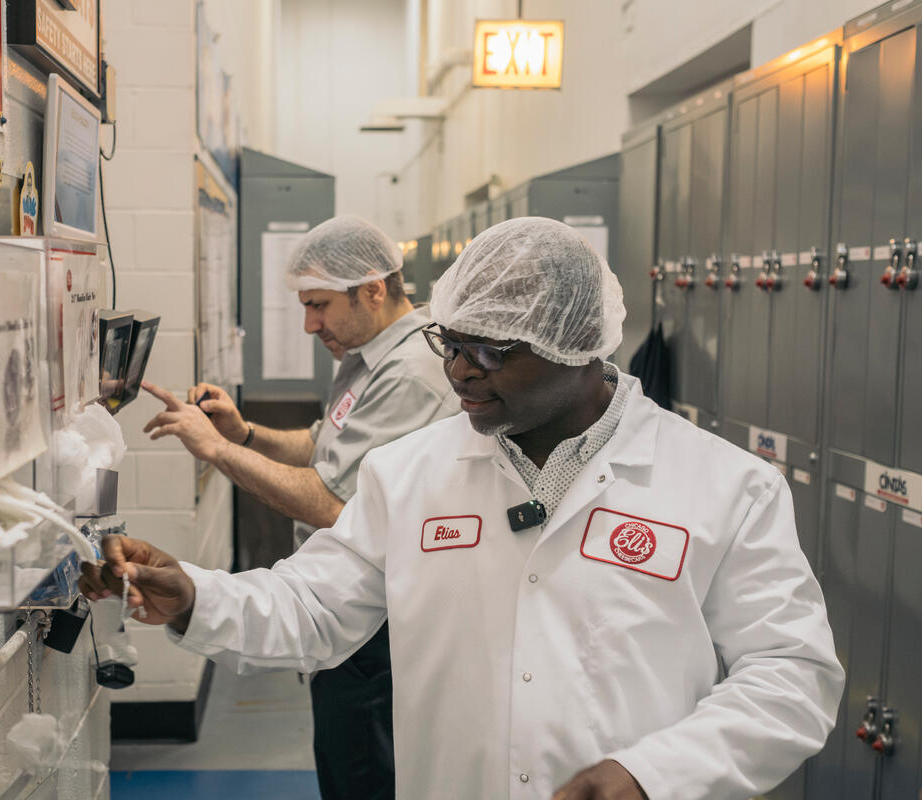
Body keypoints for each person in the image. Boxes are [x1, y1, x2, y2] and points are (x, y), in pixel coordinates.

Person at [82, 217, 844, 800]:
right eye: (452, 343)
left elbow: (791, 675)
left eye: (491, 353)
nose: (457, 372)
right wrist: (198, 595)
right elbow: (313, 606)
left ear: (576, 345)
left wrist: (656, 773)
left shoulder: (721, 484)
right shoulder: (412, 473)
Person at [136, 215, 458, 800]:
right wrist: (242, 433)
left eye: (319, 305)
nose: (310, 324)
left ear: (374, 289)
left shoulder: (412, 373)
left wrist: (213, 450)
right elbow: (324, 445)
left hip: (374, 626)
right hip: (344, 615)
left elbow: (336, 504)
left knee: (364, 775)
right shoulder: (370, 356)